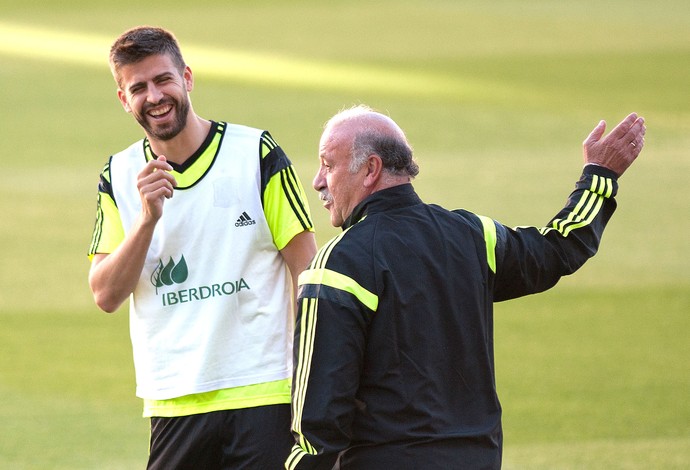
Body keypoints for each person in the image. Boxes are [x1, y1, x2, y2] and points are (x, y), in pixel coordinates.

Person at [286, 105, 645, 469]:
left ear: (371, 170)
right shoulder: (472, 235)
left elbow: (319, 423)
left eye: (328, 165)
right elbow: (557, 249)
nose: (318, 181)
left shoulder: (338, 263)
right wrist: (599, 177)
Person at [87, 26, 317, 469]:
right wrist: (147, 220)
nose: (154, 96)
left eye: (163, 80)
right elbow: (105, 294)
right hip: (173, 401)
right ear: (123, 99)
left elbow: (306, 271)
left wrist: (312, 377)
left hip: (264, 390)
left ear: (187, 78)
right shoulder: (118, 175)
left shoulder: (256, 153)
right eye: (138, 88)